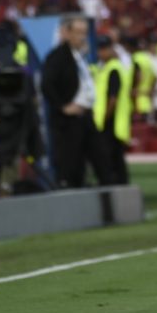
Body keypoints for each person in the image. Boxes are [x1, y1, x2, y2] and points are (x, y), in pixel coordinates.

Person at [41, 15, 112, 188]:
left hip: (86, 117)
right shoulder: (57, 57)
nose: (82, 37)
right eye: (78, 32)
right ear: (66, 32)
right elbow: (47, 85)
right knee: (70, 164)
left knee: (101, 159)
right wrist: (62, 107)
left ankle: (107, 198)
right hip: (70, 121)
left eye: (85, 33)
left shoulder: (81, 56)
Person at [93, 35, 132, 185]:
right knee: (116, 158)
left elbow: (112, 99)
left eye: (104, 49)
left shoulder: (113, 69)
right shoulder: (104, 68)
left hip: (112, 122)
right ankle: (121, 187)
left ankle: (115, 186)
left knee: (111, 159)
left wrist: (104, 118)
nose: (101, 53)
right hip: (110, 121)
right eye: (99, 49)